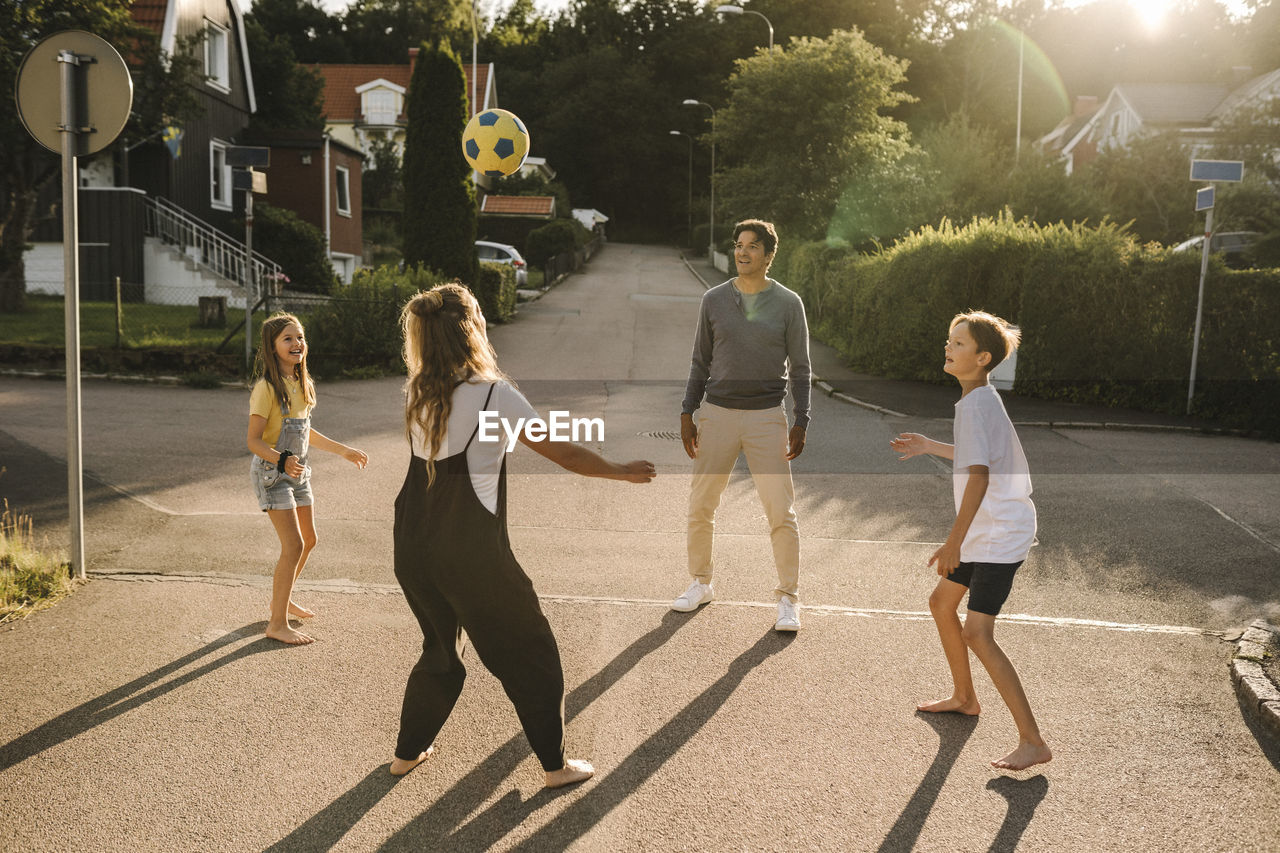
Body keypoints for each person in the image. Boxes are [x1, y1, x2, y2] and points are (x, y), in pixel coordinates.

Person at [391, 283, 656, 787]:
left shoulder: (418, 391)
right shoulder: (493, 394)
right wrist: (620, 470)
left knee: (441, 649)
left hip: (413, 546)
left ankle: (407, 753)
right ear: (473, 329)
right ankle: (555, 768)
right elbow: (565, 453)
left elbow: (466, 452)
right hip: (469, 554)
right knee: (531, 652)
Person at [890, 310, 1052, 771]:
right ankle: (964, 697)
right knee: (942, 603)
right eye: (949, 340)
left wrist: (952, 542)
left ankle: (1032, 740)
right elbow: (978, 455)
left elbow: (979, 476)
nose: (949, 347)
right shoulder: (976, 400)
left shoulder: (979, 403)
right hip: (987, 529)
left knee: (977, 632)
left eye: (958, 343)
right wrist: (930, 446)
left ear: (982, 358)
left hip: (999, 535)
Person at [675, 218, 811, 632]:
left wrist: (802, 418)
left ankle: (788, 598)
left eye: (752, 246)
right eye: (738, 245)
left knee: (780, 511)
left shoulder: (789, 304)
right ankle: (701, 582)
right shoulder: (713, 300)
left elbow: (802, 367)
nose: (742, 252)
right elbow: (700, 359)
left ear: (769, 256)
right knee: (701, 506)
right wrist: (687, 411)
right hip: (716, 414)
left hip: (767, 418)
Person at [247, 312, 368, 646]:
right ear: (272, 348)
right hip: (273, 473)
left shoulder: (302, 383)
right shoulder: (266, 389)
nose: (296, 343)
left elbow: (305, 431)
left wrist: (343, 450)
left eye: (299, 337)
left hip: (297, 472)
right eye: (287, 338)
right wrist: (282, 460)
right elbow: (254, 441)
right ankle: (276, 622)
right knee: (294, 544)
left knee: (309, 539)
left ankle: (280, 602)